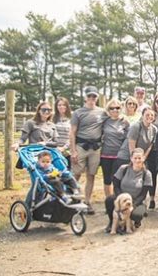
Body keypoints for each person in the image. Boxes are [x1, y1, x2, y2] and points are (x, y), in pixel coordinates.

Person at [70, 86, 108, 215]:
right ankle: (73, 200)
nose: (92, 99)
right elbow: (72, 132)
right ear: (85, 97)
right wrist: (73, 150)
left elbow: (114, 117)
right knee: (76, 174)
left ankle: (87, 201)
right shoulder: (78, 113)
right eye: (89, 96)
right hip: (81, 146)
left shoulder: (103, 112)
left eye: (94, 96)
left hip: (95, 147)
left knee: (91, 175)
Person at [116, 108, 158, 208]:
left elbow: (150, 146)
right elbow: (131, 144)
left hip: (140, 157)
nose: (149, 117)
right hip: (127, 156)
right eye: (147, 115)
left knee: (139, 180)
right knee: (126, 180)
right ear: (142, 115)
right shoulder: (136, 126)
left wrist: (142, 159)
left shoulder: (154, 129)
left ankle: (137, 202)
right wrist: (134, 160)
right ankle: (120, 202)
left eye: (152, 115)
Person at [105, 148, 151, 233]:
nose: (137, 160)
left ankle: (136, 221)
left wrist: (133, 204)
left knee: (136, 214)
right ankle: (112, 222)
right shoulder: (123, 169)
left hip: (137, 200)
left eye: (139, 158)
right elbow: (116, 185)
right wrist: (120, 198)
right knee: (109, 200)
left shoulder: (147, 174)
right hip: (122, 198)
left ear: (143, 158)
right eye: (135, 158)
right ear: (131, 158)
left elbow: (143, 194)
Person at [99, 100, 129, 197]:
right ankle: (109, 200)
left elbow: (128, 138)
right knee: (107, 179)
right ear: (108, 110)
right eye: (112, 108)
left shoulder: (125, 122)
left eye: (117, 108)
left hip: (120, 155)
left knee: (119, 179)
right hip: (106, 154)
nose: (115, 110)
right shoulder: (104, 121)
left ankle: (119, 199)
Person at [53, 97, 72, 165]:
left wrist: (64, 148)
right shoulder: (52, 119)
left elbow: (72, 136)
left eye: (64, 105)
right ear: (56, 107)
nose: (62, 107)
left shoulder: (72, 119)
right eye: (59, 105)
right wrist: (56, 147)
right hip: (54, 150)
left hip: (68, 151)